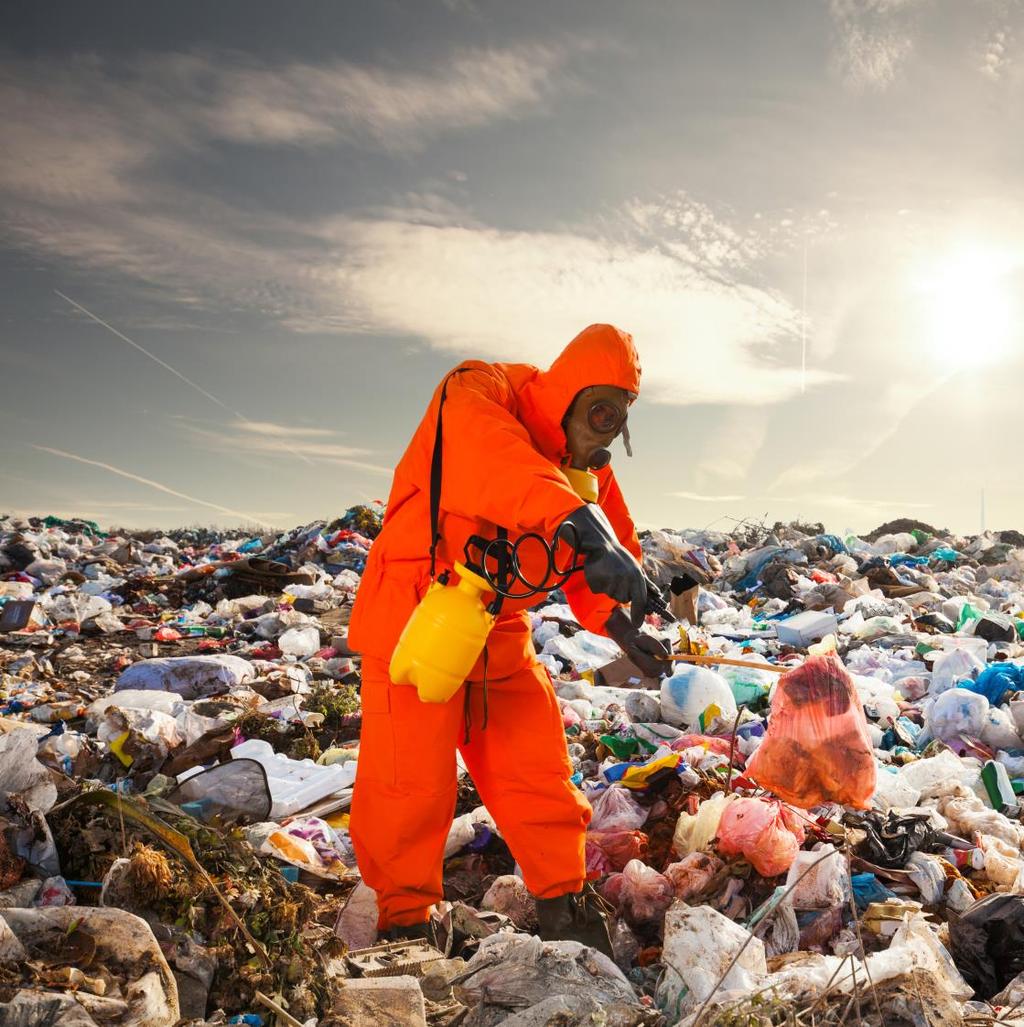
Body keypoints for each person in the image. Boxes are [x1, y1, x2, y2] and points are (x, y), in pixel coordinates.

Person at [347, 323, 670, 954]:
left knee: (537, 769)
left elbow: (605, 542)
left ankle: (566, 905)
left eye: (618, 420)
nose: (603, 431)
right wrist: (575, 518)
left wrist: (622, 625)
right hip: (415, 615)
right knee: (407, 781)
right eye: (598, 410)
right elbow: (492, 457)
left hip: (495, 624)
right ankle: (406, 926)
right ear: (566, 395)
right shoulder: (479, 392)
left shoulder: (580, 471)